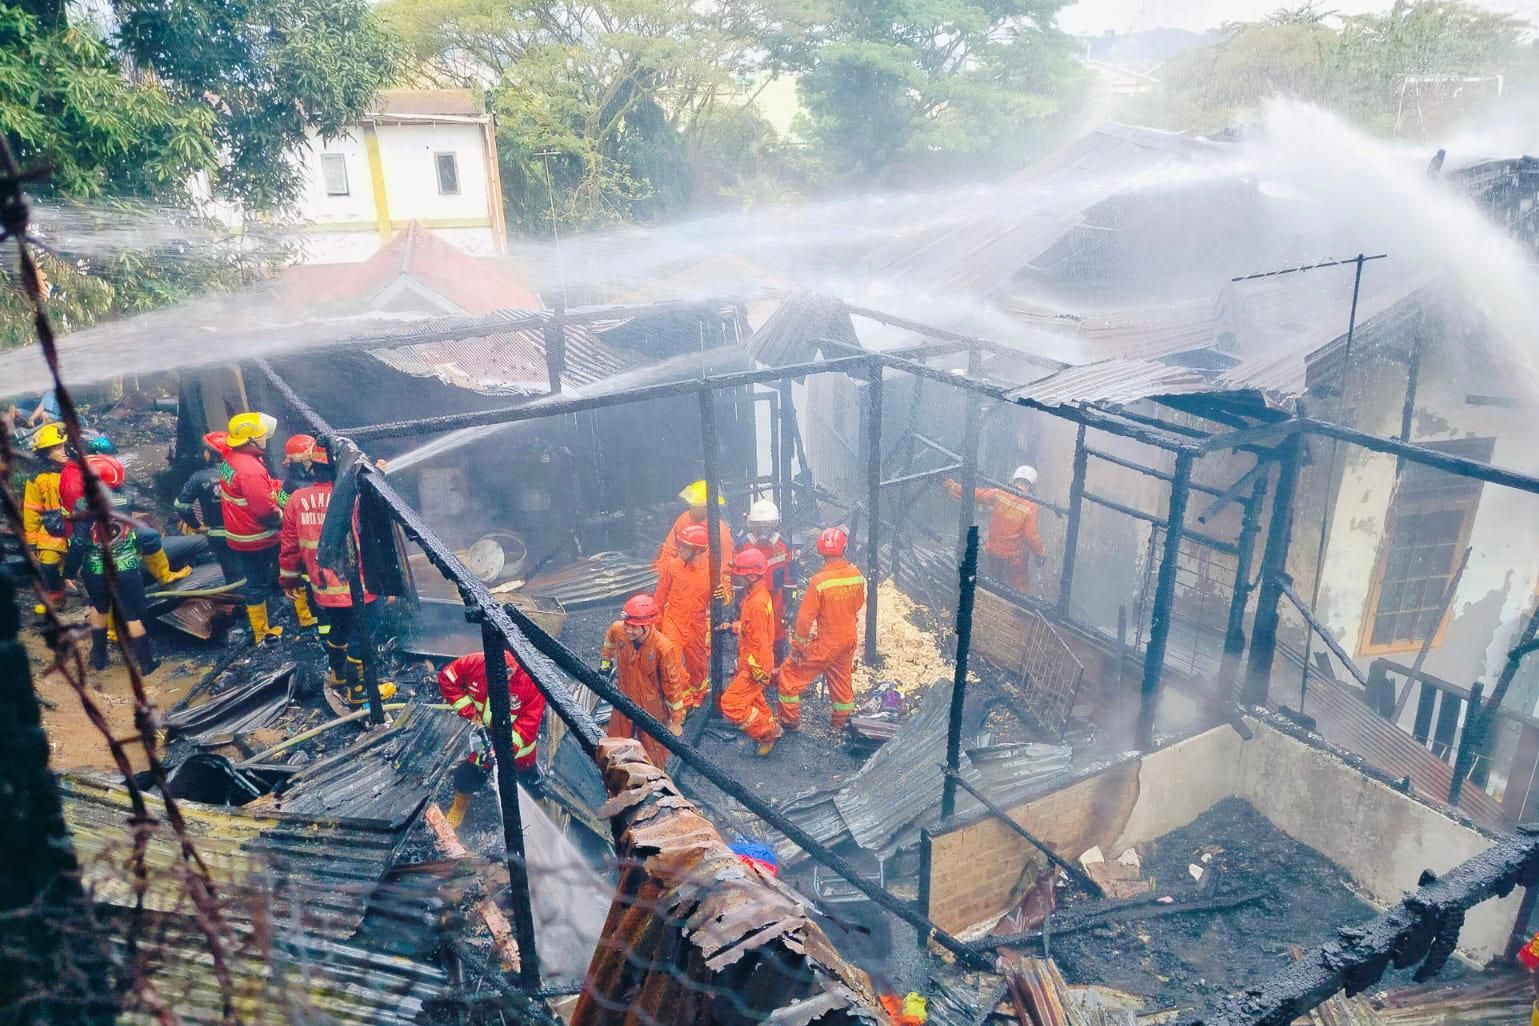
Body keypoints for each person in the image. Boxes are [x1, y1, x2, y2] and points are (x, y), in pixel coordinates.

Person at [277, 444, 396, 708]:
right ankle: (358, 690)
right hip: (360, 587)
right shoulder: (353, 496)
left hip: (323, 591)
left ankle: (338, 677)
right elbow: (377, 539)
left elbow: (289, 545)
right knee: (363, 636)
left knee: (338, 631)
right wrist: (377, 475)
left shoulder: (297, 498)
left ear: (314, 468)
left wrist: (289, 580)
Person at [62, 455, 157, 674]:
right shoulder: (127, 499)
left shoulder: (83, 504)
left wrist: (68, 571)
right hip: (125, 566)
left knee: (99, 608)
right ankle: (146, 665)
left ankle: (99, 661)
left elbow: (77, 542)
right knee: (133, 614)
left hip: (95, 568)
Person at [436, 649, 547, 826]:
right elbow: (447, 679)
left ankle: (541, 817)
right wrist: (470, 712)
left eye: (507, 674)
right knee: (466, 776)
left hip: (518, 746)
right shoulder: (473, 663)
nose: (502, 679)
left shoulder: (530, 682)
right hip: (486, 736)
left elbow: (528, 724)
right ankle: (460, 806)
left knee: (529, 782)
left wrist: (506, 749)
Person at [777, 527, 866, 732]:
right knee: (841, 682)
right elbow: (858, 604)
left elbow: (804, 618)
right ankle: (840, 723)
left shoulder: (819, 581)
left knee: (789, 675)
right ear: (843, 548)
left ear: (820, 551)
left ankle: (789, 722)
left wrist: (798, 646)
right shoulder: (856, 575)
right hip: (849, 639)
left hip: (827, 643)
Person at [219, 411, 286, 644]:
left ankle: (261, 627)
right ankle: (263, 633)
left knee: (255, 580)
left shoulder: (232, 459)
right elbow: (266, 512)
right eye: (261, 436)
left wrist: (279, 487)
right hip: (258, 538)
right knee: (262, 580)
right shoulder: (251, 471)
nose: (265, 439)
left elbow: (256, 492)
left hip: (239, 534)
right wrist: (286, 514)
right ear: (250, 441)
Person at [599, 594, 687, 768]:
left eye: (634, 628)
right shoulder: (618, 630)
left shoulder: (662, 647)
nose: (629, 631)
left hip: (651, 708)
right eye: (627, 626)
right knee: (615, 745)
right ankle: (615, 778)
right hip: (623, 700)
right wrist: (605, 663)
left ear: (648, 625)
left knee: (654, 751)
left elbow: (672, 685)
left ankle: (656, 783)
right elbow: (609, 639)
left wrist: (676, 720)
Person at [944, 465, 1046, 595]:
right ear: (1032, 485)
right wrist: (1041, 553)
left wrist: (952, 486)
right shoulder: (1031, 507)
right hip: (1015, 559)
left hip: (993, 552)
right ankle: (1018, 611)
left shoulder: (999, 494)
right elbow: (1031, 536)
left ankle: (993, 601)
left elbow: (975, 494)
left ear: (1014, 480)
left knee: (994, 583)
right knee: (1021, 590)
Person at [719, 548, 782, 756]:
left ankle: (766, 732)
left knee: (731, 703)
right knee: (753, 699)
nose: (737, 577)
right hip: (755, 660)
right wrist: (731, 627)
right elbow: (753, 628)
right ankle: (769, 726)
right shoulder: (758, 595)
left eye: (740, 574)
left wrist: (753, 668)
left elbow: (760, 640)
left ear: (752, 575)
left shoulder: (755, 603)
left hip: (755, 663)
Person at [654, 522, 715, 710]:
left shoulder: (711, 570)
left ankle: (698, 695)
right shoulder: (672, 566)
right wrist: (655, 623)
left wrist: (724, 595)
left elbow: (723, 596)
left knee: (697, 666)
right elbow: (660, 595)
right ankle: (685, 702)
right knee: (671, 661)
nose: (679, 549)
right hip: (674, 620)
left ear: (697, 550)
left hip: (697, 623)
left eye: (684, 546)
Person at [174, 431, 242, 584]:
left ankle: (241, 600)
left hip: (217, 534)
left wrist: (197, 526)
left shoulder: (198, 477)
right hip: (244, 533)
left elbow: (181, 506)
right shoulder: (243, 473)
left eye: (206, 450)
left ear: (213, 454)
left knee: (231, 572)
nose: (203, 453)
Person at [22, 422, 70, 609]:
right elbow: (31, 511)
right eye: (58, 448)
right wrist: (32, 543)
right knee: (49, 566)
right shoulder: (37, 479)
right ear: (45, 453)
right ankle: (57, 598)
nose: (63, 451)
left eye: (64, 446)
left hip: (79, 528)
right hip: (52, 530)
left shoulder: (75, 471)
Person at [739, 498, 793, 664]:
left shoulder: (783, 546)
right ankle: (752, 670)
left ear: (774, 526)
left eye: (767, 526)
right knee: (752, 636)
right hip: (751, 600)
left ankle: (774, 672)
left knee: (777, 635)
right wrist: (736, 607)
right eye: (758, 526)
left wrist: (790, 605)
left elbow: (790, 580)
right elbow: (737, 580)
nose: (763, 531)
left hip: (776, 599)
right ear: (751, 526)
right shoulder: (743, 546)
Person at [654, 479, 734, 587]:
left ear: (707, 507)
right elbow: (668, 551)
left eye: (695, 506)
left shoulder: (720, 531)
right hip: (679, 584)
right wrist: (664, 579)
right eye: (690, 505)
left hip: (704, 586)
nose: (691, 509)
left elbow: (725, 568)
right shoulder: (683, 519)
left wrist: (723, 591)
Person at [276, 433, 319, 628]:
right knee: (310, 580)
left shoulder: (289, 483)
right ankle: (311, 616)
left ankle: (306, 616)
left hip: (303, 544)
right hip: (310, 544)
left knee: (305, 577)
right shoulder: (303, 486)